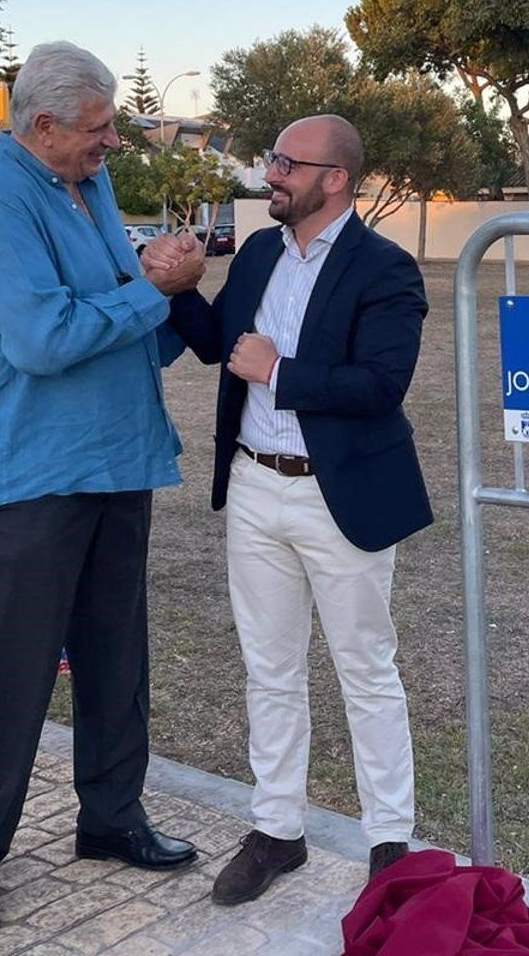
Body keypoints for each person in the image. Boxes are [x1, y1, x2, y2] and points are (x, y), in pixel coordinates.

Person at [0, 42, 203, 941]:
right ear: (42, 126)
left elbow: (120, 310)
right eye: (98, 127)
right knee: (12, 677)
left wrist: (155, 291)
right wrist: (154, 292)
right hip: (28, 475)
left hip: (114, 460)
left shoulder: (84, 187)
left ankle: (112, 816)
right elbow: (43, 340)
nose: (113, 141)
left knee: (116, 657)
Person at [146, 113, 432, 906]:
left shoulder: (386, 270)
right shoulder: (264, 250)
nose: (271, 174)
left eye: (286, 163)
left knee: (365, 671)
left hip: (339, 495)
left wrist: (281, 370)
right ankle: (277, 830)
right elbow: (218, 346)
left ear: (333, 179)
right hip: (252, 487)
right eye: (272, 159)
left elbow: (380, 387)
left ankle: (389, 846)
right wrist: (177, 292)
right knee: (268, 668)